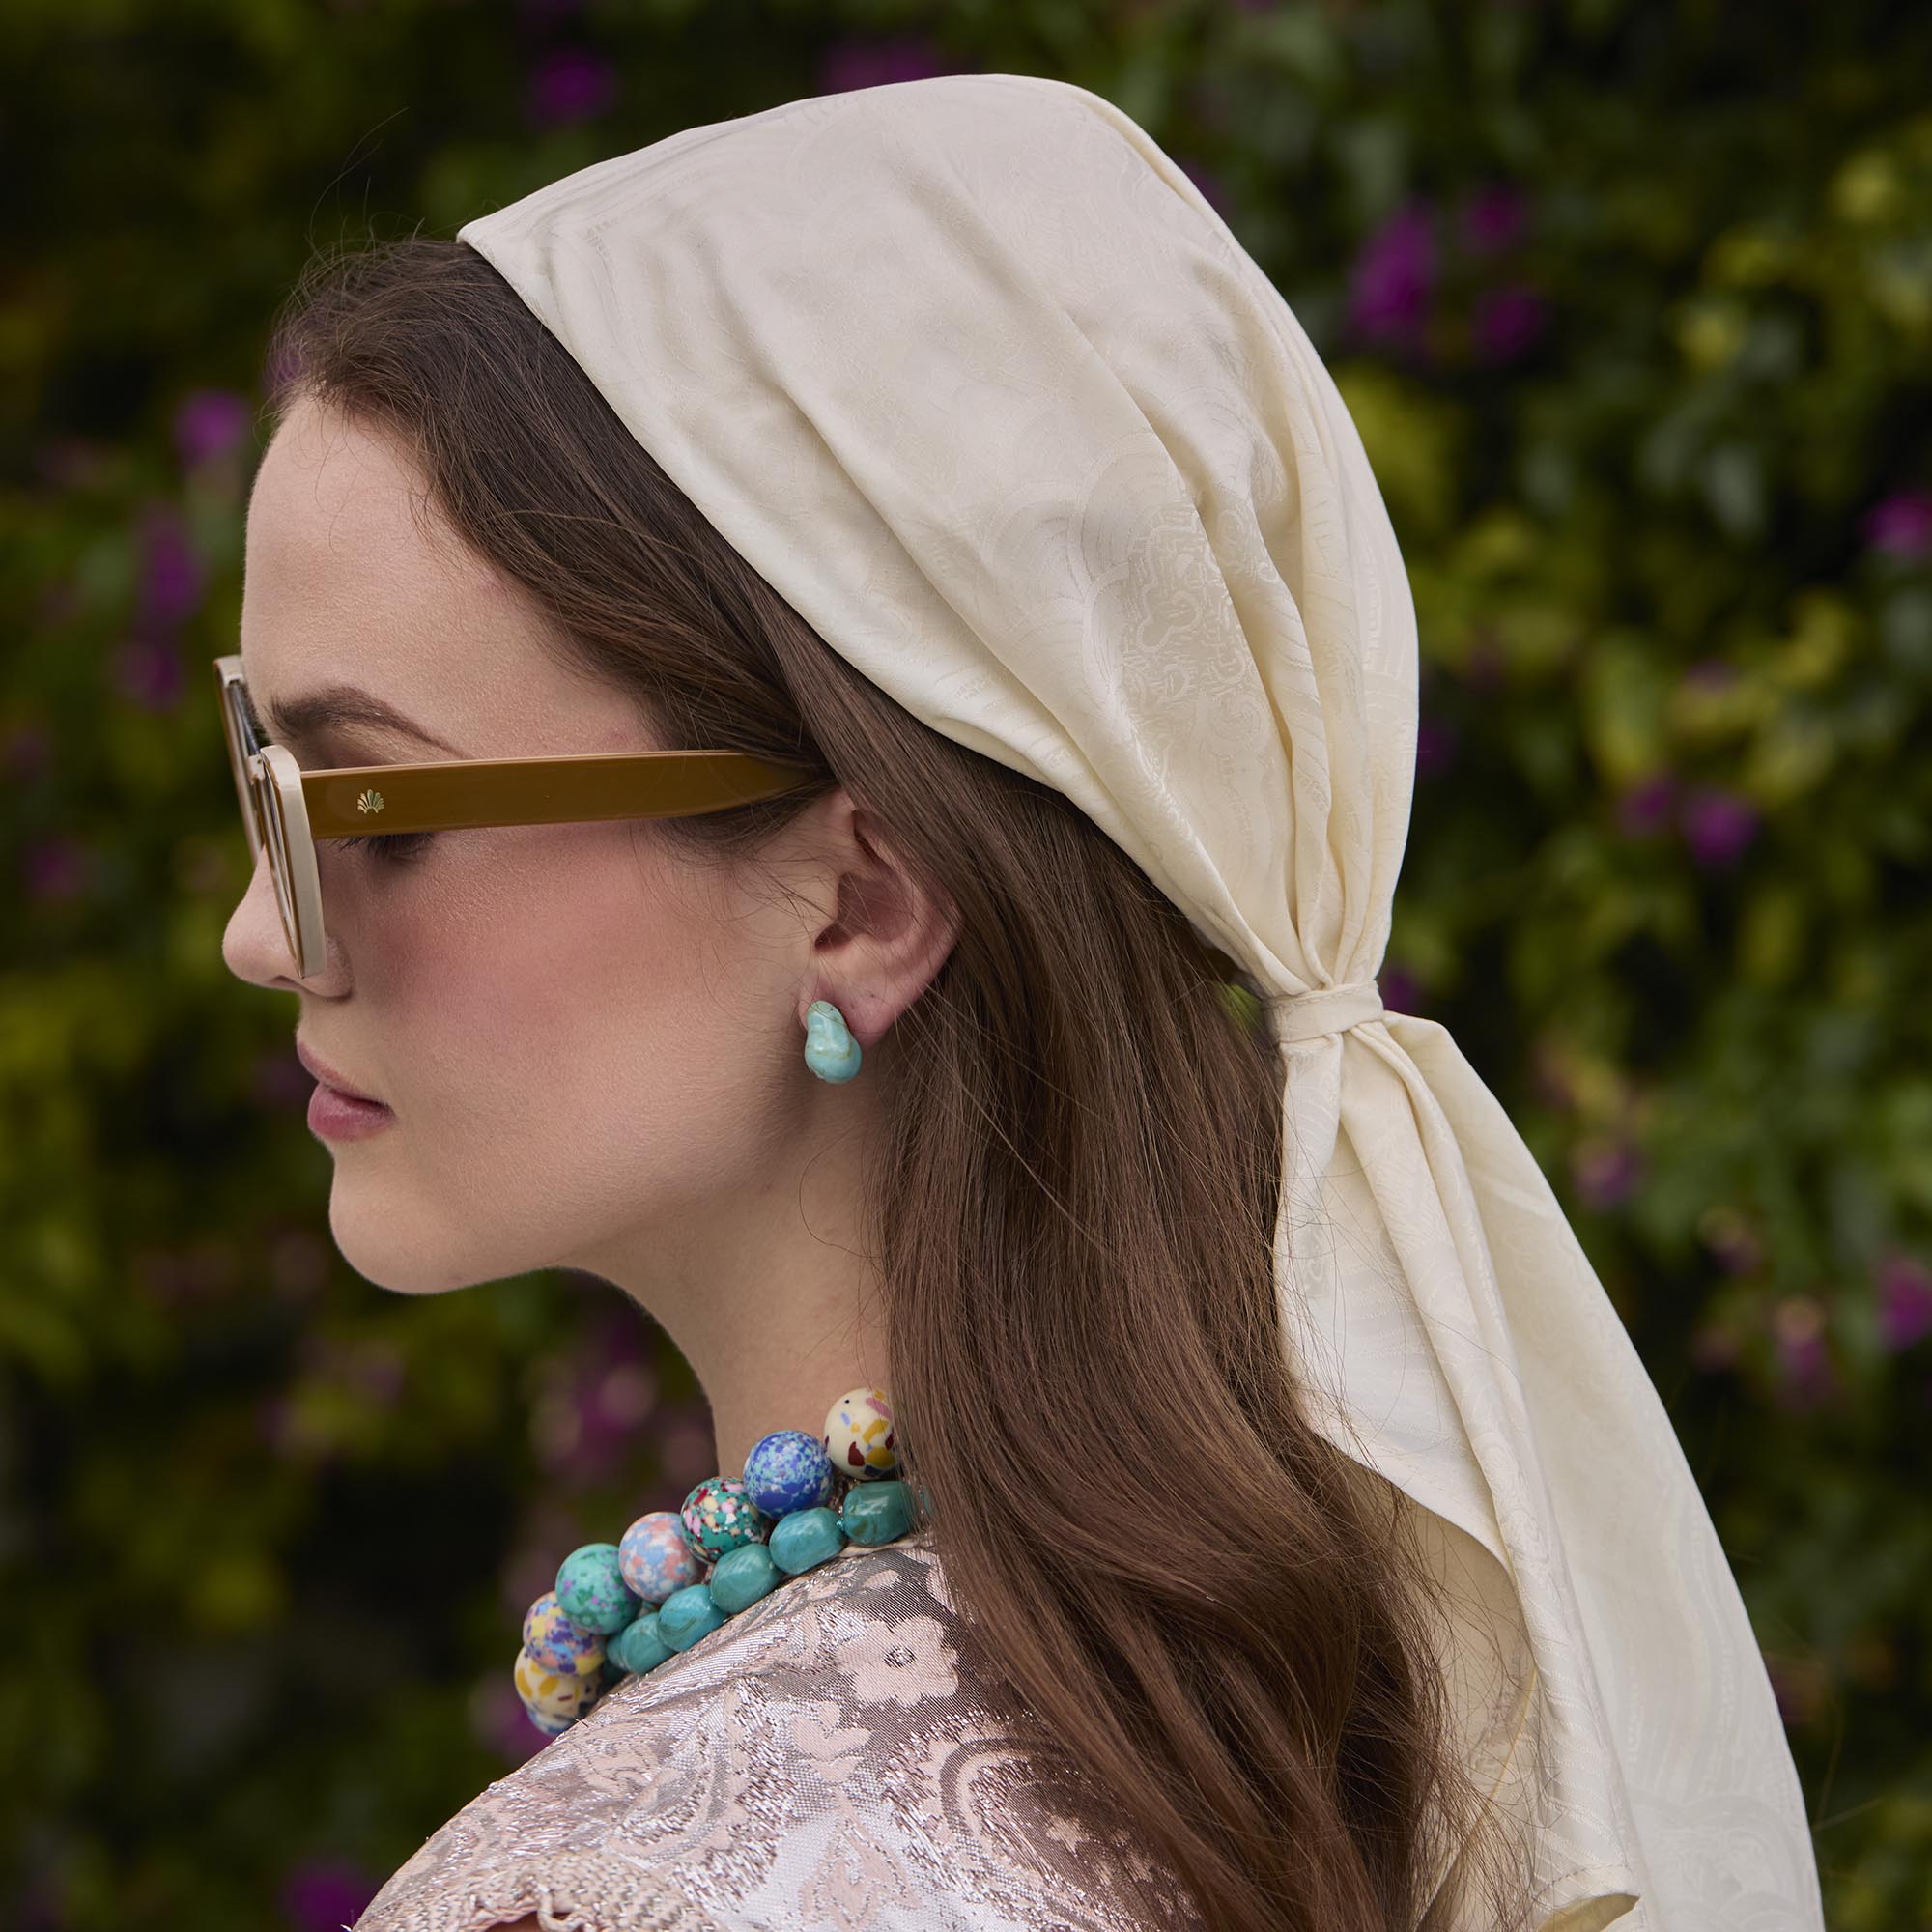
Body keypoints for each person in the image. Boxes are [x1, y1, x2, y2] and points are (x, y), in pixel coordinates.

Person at [220, 74, 1825, 1932]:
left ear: (862, 903)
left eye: (364, 806)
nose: (261, 935)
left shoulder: (629, 1889)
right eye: (256, 774)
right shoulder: (1301, 1721)